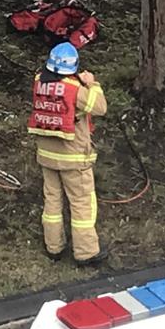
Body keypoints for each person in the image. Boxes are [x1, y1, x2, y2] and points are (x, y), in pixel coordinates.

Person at [27, 42, 109, 265]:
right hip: (73, 159)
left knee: (52, 201)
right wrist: (93, 84)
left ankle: (54, 247)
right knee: (82, 204)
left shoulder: (39, 82)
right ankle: (86, 252)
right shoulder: (75, 89)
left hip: (46, 155)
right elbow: (100, 107)